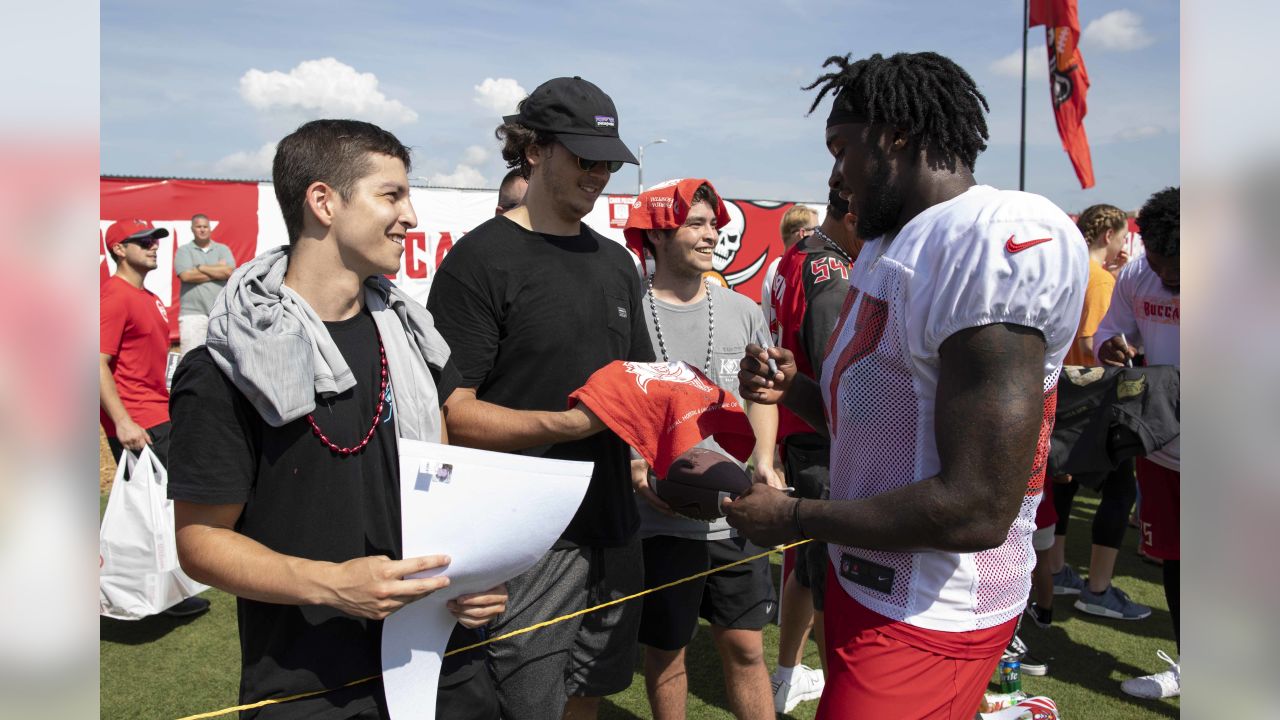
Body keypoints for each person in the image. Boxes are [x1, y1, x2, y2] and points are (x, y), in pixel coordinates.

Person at [727, 52, 1088, 719]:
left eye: (843, 149)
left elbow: (977, 505)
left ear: (894, 135)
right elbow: (890, 419)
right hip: (871, 577)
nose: (835, 175)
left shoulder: (991, 236)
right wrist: (796, 387)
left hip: (934, 607)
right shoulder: (895, 242)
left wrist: (795, 516)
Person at [168, 119, 507, 719]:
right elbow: (201, 542)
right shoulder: (225, 364)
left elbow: (447, 482)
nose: (411, 217)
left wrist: (474, 579)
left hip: (443, 664)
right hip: (311, 683)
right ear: (323, 202)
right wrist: (332, 585)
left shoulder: (415, 338)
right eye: (391, 195)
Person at [426, 76, 654, 720]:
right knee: (520, 705)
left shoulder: (615, 263)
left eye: (608, 161)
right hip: (525, 539)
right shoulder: (480, 261)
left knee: (590, 694)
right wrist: (573, 423)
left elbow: (634, 384)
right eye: (585, 157)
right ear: (534, 150)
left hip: (612, 525)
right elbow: (452, 413)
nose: (599, 174)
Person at [623, 178, 782, 720]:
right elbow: (617, 407)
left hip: (735, 516)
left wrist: (763, 459)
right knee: (667, 652)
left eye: (714, 222)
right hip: (661, 521)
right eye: (696, 222)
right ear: (658, 235)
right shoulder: (629, 313)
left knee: (746, 647)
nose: (712, 232)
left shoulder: (742, 310)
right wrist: (637, 467)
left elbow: (761, 395)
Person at [766, 188, 858, 713]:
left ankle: (786, 674)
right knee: (827, 572)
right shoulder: (829, 270)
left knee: (807, 562)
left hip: (799, 431)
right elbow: (834, 370)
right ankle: (839, 691)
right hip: (822, 435)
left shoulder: (794, 255)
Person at [1095, 186, 1181, 700]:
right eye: (1161, 262)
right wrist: (1112, 344)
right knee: (1177, 560)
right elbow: (1111, 335)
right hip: (1164, 447)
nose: (1168, 276)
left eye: (1180, 267)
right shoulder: (1135, 275)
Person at [100, 217, 209, 619]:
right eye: (142, 240)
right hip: (139, 420)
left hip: (158, 410)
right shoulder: (113, 296)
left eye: (155, 239)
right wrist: (122, 421)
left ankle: (167, 592)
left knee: (165, 508)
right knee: (154, 509)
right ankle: (142, 593)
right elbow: (95, 364)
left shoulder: (148, 298)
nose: (153, 245)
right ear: (118, 249)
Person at [1048, 204, 1150, 622]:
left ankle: (1055, 570)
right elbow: (1095, 343)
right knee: (1121, 489)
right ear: (1108, 233)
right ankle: (1098, 588)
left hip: (1063, 395)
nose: (1125, 244)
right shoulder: (1100, 279)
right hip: (1093, 399)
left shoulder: (1069, 271)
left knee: (1062, 488)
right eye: (1123, 236)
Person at [174, 213, 236, 355]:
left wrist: (200, 267)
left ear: (210, 228)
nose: (202, 229)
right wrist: (217, 271)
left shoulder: (222, 249)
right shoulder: (184, 250)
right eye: (198, 226)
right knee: (191, 359)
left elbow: (229, 272)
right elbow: (186, 275)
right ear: (192, 229)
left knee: (223, 358)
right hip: (192, 314)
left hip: (220, 311)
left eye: (205, 226)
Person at [760, 204, 819, 336]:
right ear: (803, 234)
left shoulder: (775, 267)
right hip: (785, 352)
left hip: (775, 349)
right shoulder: (790, 268)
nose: (820, 235)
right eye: (817, 230)